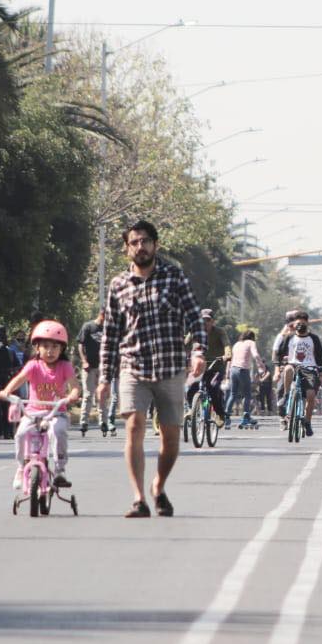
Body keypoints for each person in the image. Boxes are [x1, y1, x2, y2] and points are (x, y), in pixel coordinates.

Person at [98, 220, 206, 518]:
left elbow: (194, 316)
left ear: (155, 245)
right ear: (126, 248)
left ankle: (158, 486)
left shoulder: (174, 277)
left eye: (145, 241)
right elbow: (110, 334)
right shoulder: (119, 285)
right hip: (133, 367)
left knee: (170, 437)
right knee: (134, 427)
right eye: (134, 242)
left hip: (171, 367)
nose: (140, 247)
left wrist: (198, 350)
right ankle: (138, 498)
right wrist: (105, 377)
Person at [0, 320, 80, 489]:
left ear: (62, 349)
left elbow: (75, 387)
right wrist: (6, 392)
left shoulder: (65, 366)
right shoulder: (33, 365)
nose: (50, 351)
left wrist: (72, 395)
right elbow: (19, 379)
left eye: (55, 347)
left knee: (58, 431)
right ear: (37, 348)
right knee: (20, 434)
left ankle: (59, 470)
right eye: (46, 346)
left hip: (56, 413)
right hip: (33, 413)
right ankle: (21, 467)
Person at [274, 310, 322, 436]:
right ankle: (286, 396)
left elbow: (320, 357)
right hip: (293, 365)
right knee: (288, 369)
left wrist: (321, 373)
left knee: (311, 395)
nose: (300, 325)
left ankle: (307, 422)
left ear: (307, 323)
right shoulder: (289, 338)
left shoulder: (314, 339)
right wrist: (278, 367)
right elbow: (279, 353)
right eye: (298, 323)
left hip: (309, 369)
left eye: (303, 323)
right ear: (294, 324)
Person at [77, 310, 107, 436]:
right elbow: (80, 345)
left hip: (102, 367)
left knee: (102, 395)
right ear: (101, 314)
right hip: (89, 367)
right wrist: (84, 361)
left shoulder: (108, 328)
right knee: (88, 395)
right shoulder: (88, 326)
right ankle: (84, 422)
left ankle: (103, 422)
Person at [230, 330, 266, 428]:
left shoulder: (236, 344)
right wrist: (261, 366)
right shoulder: (251, 343)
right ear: (252, 337)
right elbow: (256, 355)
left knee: (232, 395)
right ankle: (246, 418)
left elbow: (232, 358)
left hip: (233, 369)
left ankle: (226, 418)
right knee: (247, 395)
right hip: (243, 370)